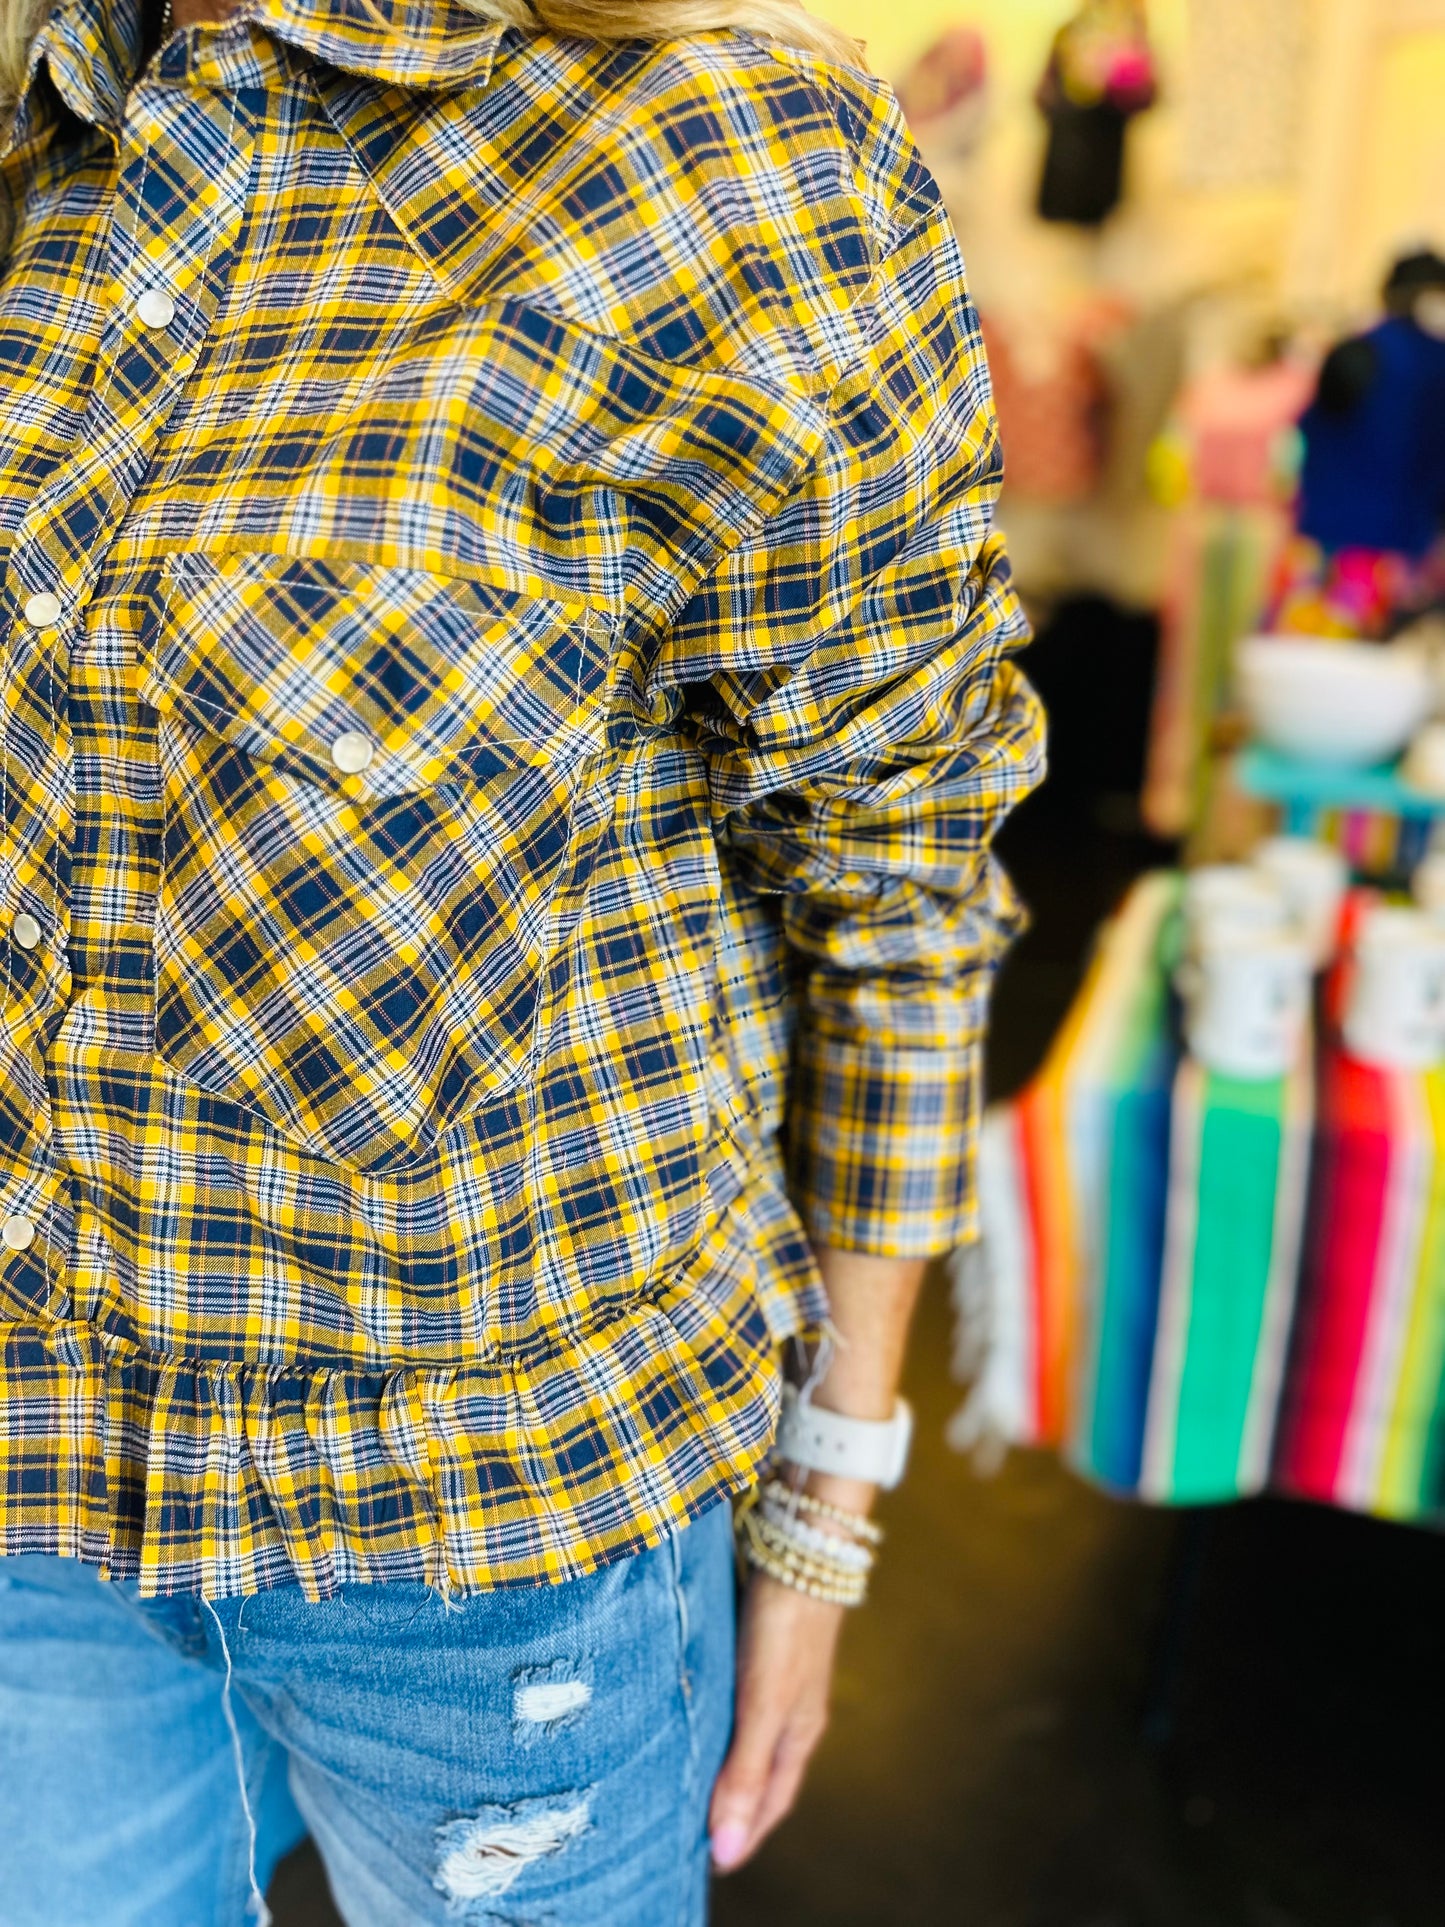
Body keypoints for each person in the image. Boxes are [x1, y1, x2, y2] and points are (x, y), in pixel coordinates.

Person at [0, 0, 1043, 1918]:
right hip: (41, 1488)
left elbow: (897, 881)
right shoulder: (63, 116)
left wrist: (822, 1514)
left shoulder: (717, 149)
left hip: (485, 1565)